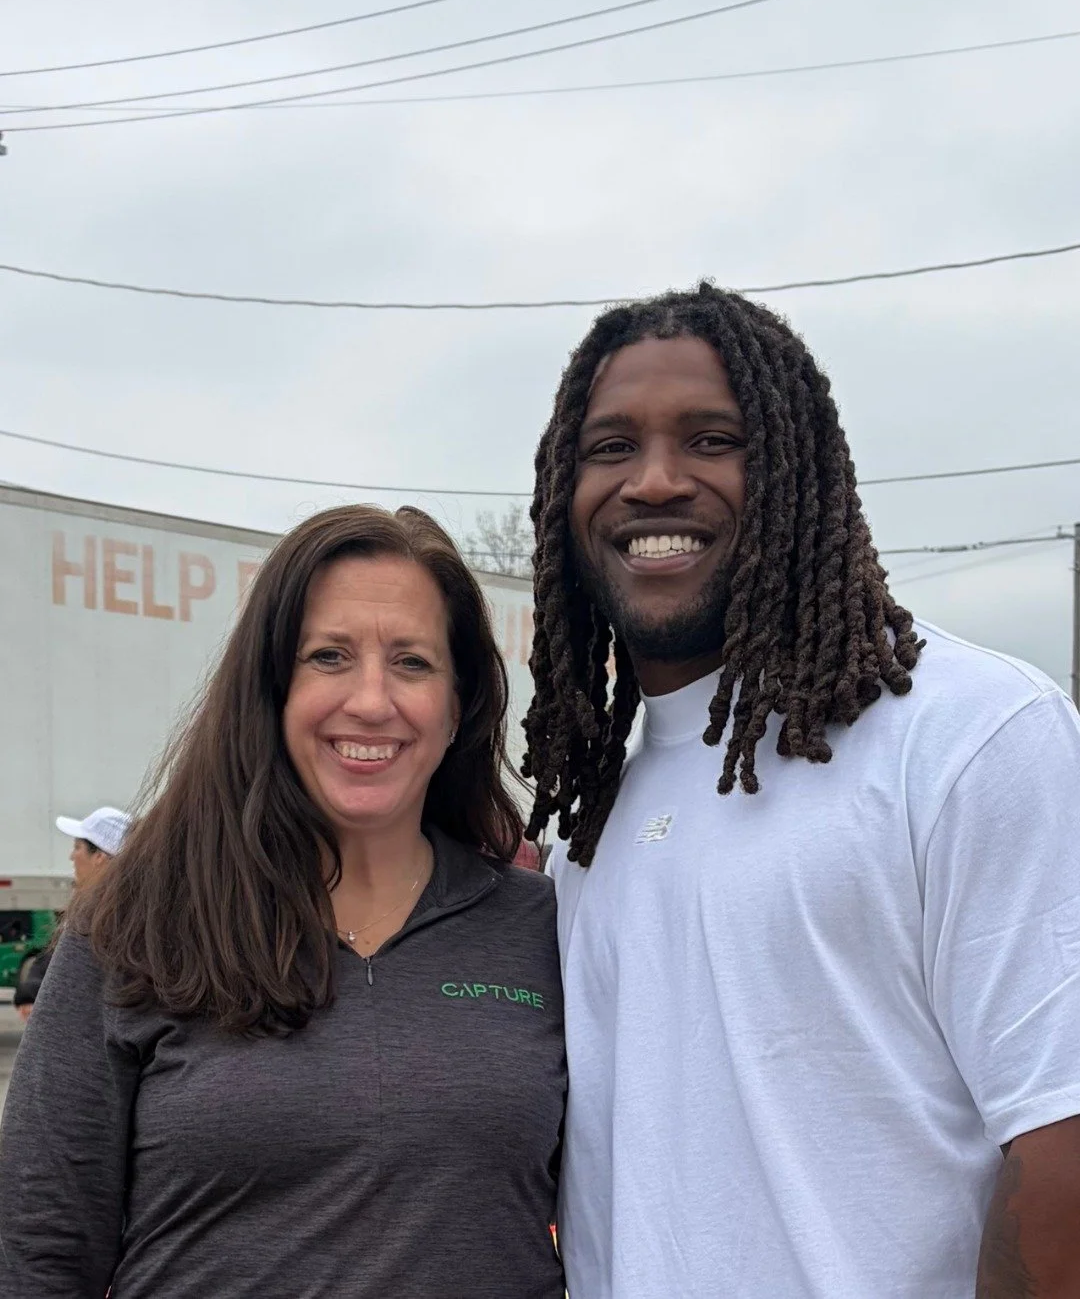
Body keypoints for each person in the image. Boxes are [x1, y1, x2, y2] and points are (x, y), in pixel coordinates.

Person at [524, 282, 1080, 1298]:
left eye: (711, 438)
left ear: (796, 467)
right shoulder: (587, 827)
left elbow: (1062, 1152)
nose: (654, 481)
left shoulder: (970, 737)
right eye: (610, 448)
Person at [0, 504, 565, 1298]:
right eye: (329, 656)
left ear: (459, 702)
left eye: (412, 662)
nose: (371, 701)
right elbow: (40, 1249)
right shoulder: (137, 927)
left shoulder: (541, 927)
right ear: (272, 688)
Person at [12, 806, 131, 1017]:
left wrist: (34, 989)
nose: (71, 856)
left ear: (99, 858)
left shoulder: (113, 916)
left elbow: (76, 968)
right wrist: (32, 988)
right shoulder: (97, 908)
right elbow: (58, 955)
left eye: (77, 847)